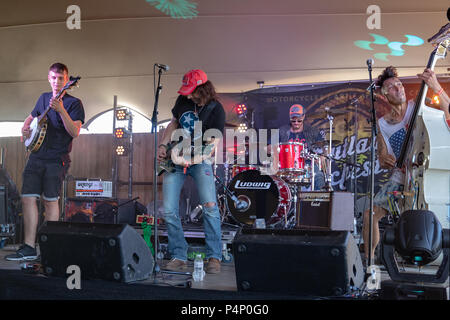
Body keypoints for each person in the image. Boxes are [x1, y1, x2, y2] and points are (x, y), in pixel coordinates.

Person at [363, 66, 450, 265]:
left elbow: (448, 110)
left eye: (399, 84)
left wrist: (436, 86)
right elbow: (383, 159)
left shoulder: (419, 105)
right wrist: (384, 159)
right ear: (383, 96)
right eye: (391, 87)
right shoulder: (382, 124)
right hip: (400, 178)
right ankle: (369, 264)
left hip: (424, 175)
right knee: (370, 214)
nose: (398, 88)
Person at [6, 62, 85, 261]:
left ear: (67, 80)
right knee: (27, 198)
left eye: (61, 78)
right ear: (49, 79)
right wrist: (24, 131)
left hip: (57, 159)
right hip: (36, 156)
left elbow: (75, 131)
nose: (57, 82)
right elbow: (30, 118)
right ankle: (29, 246)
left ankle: (50, 248)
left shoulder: (75, 103)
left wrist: (61, 110)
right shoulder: (43, 98)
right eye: (53, 78)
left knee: (50, 202)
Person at [157, 69, 225, 274]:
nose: (186, 94)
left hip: (200, 159)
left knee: (210, 206)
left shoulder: (216, 109)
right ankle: (179, 254)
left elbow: (212, 147)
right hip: (176, 156)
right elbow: (174, 122)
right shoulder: (182, 100)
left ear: (203, 89)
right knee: (168, 209)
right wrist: (163, 145)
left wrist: (188, 160)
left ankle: (214, 256)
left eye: (191, 91)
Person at [277, 104, 326, 190]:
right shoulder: (282, 130)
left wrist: (322, 156)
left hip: (308, 164)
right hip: (288, 165)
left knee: (319, 176)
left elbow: (325, 145)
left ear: (303, 117)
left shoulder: (312, 131)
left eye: (299, 121)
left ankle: (318, 201)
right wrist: (276, 149)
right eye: (293, 120)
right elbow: (268, 148)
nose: (296, 123)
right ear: (290, 118)